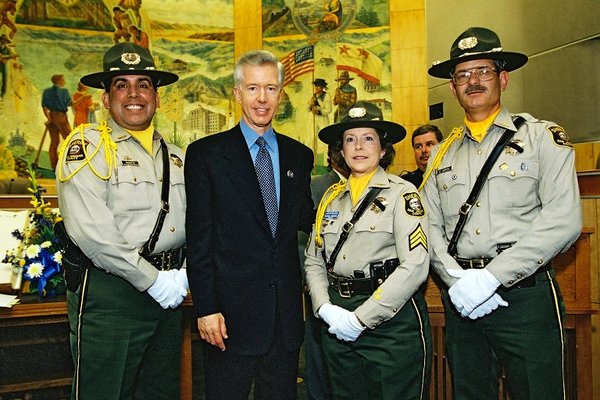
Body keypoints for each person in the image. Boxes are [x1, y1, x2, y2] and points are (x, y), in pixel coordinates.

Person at [422, 27, 582, 400]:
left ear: (503, 78)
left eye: (483, 71)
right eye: (462, 74)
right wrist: (456, 280)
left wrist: (492, 278)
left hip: (524, 299)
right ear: (452, 88)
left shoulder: (543, 137)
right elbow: (427, 226)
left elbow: (564, 220)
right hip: (462, 299)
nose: (472, 81)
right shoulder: (441, 154)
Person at [55, 42, 188, 400]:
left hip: (168, 294)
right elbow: (92, 233)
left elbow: (198, 221)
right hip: (112, 295)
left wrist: (184, 274)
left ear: (156, 97)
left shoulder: (177, 156)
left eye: (143, 84)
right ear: (105, 98)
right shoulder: (88, 147)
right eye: (121, 85)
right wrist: (153, 281)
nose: (134, 94)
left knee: (160, 392)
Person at [184, 50, 314, 400]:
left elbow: (308, 220)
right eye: (253, 88)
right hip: (228, 321)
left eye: (270, 89)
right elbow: (199, 240)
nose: (262, 99)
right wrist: (206, 308)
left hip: (284, 322)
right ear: (237, 92)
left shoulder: (299, 157)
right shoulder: (206, 156)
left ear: (281, 94)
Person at [304, 101, 432, 399]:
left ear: (384, 149)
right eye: (350, 139)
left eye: (368, 138)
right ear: (341, 150)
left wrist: (362, 318)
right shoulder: (330, 200)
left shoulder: (402, 194)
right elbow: (314, 260)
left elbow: (415, 265)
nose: (358, 146)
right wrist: (324, 308)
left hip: (390, 325)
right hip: (337, 320)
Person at [298, 145, 349, 400]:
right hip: (321, 288)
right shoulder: (317, 186)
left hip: (357, 291)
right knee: (319, 355)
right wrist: (309, 280)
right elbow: (303, 237)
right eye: (341, 146)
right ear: (331, 156)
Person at [41, 74, 72, 170]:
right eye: (63, 80)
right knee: (70, 140)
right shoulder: (64, 91)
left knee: (54, 142)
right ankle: (70, 164)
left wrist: (49, 118)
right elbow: (69, 103)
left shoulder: (46, 91)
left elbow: (45, 107)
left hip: (52, 117)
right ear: (58, 80)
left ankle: (55, 166)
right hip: (61, 117)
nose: (64, 81)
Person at [401, 124, 443, 188]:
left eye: (429, 144)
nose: (423, 150)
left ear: (441, 146)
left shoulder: (450, 176)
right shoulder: (406, 183)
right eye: (418, 146)